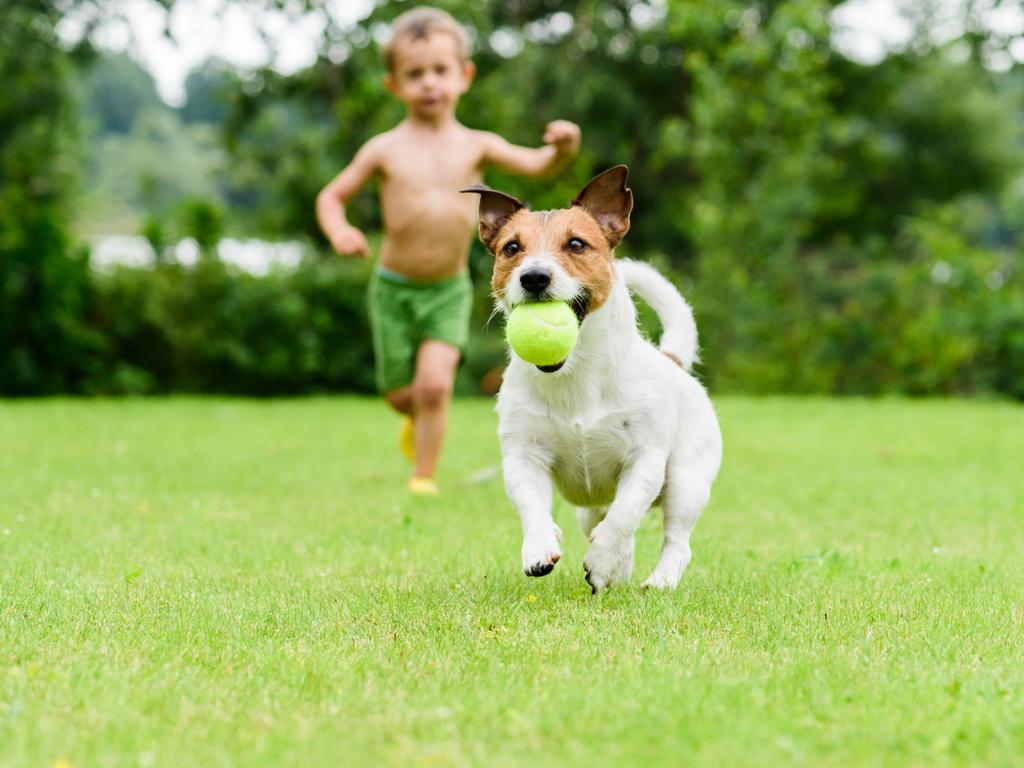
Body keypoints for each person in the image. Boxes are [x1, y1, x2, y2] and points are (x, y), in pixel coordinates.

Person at [316, 6, 581, 495]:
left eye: (440, 71)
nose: (429, 83)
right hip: (393, 288)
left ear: (464, 76)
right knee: (402, 394)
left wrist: (563, 148)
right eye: (415, 74)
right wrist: (340, 231)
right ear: (394, 84)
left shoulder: (475, 144)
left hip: (447, 289)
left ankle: (423, 477)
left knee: (435, 386)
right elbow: (331, 196)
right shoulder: (384, 148)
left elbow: (538, 165)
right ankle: (409, 416)